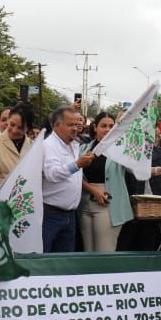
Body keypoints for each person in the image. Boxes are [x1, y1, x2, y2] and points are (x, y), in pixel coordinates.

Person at [41, 106, 95, 252]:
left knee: (64, 262)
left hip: (70, 215)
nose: (75, 129)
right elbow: (52, 174)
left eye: (77, 125)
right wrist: (77, 164)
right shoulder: (48, 146)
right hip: (50, 215)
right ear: (56, 125)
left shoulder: (74, 144)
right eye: (70, 125)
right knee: (44, 258)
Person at [79, 113, 120, 252]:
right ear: (95, 127)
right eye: (103, 126)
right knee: (88, 252)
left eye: (111, 126)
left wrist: (155, 170)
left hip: (107, 204)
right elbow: (74, 176)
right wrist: (92, 190)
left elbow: (134, 168)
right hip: (85, 204)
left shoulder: (119, 150)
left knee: (104, 252)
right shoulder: (84, 149)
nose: (107, 129)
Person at [0, 103, 34, 199]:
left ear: (28, 129)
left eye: (20, 128)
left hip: (25, 199)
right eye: (12, 124)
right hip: (0, 196)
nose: (14, 130)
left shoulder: (33, 145)